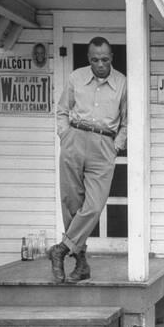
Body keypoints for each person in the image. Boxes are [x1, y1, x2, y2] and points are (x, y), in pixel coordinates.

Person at [48, 36, 127, 283]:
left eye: (104, 59)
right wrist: (64, 134)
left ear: (111, 58)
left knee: (93, 205)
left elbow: (128, 121)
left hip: (104, 144)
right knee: (72, 202)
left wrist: (116, 146)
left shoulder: (122, 83)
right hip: (74, 139)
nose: (100, 64)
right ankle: (81, 264)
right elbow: (62, 109)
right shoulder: (76, 78)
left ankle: (61, 249)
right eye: (95, 59)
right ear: (89, 58)